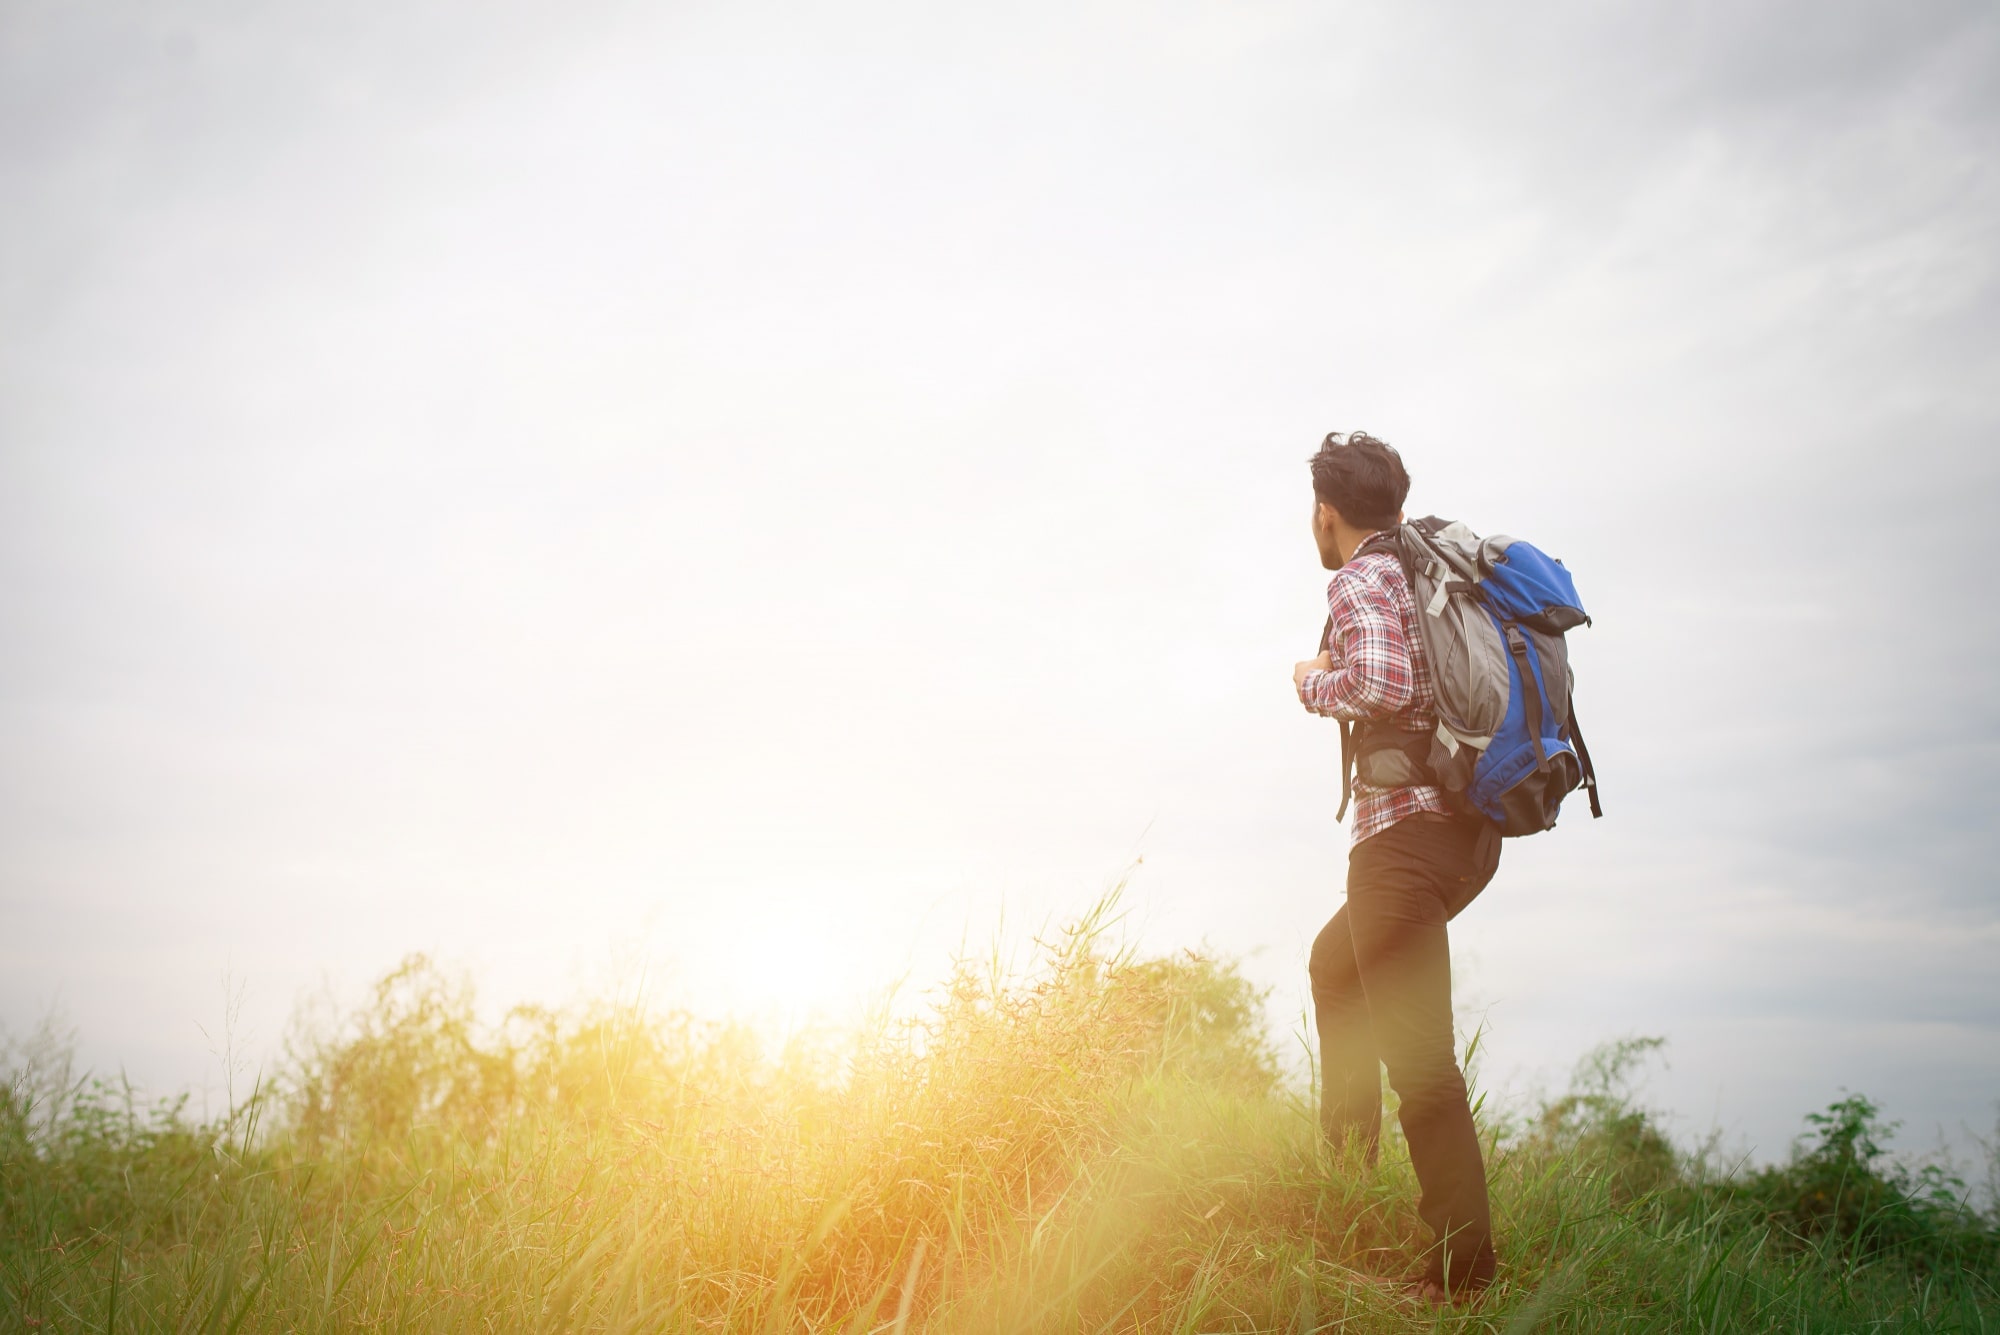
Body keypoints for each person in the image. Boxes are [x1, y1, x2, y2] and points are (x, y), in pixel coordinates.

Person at [1291, 431, 1500, 1303]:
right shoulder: (1425, 571)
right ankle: (1346, 1166)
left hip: (1403, 844)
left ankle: (1462, 1276)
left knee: (1421, 1064)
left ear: (1326, 514)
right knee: (1335, 965)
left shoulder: (1361, 578)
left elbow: (1373, 683)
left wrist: (1310, 678)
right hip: (1464, 835)